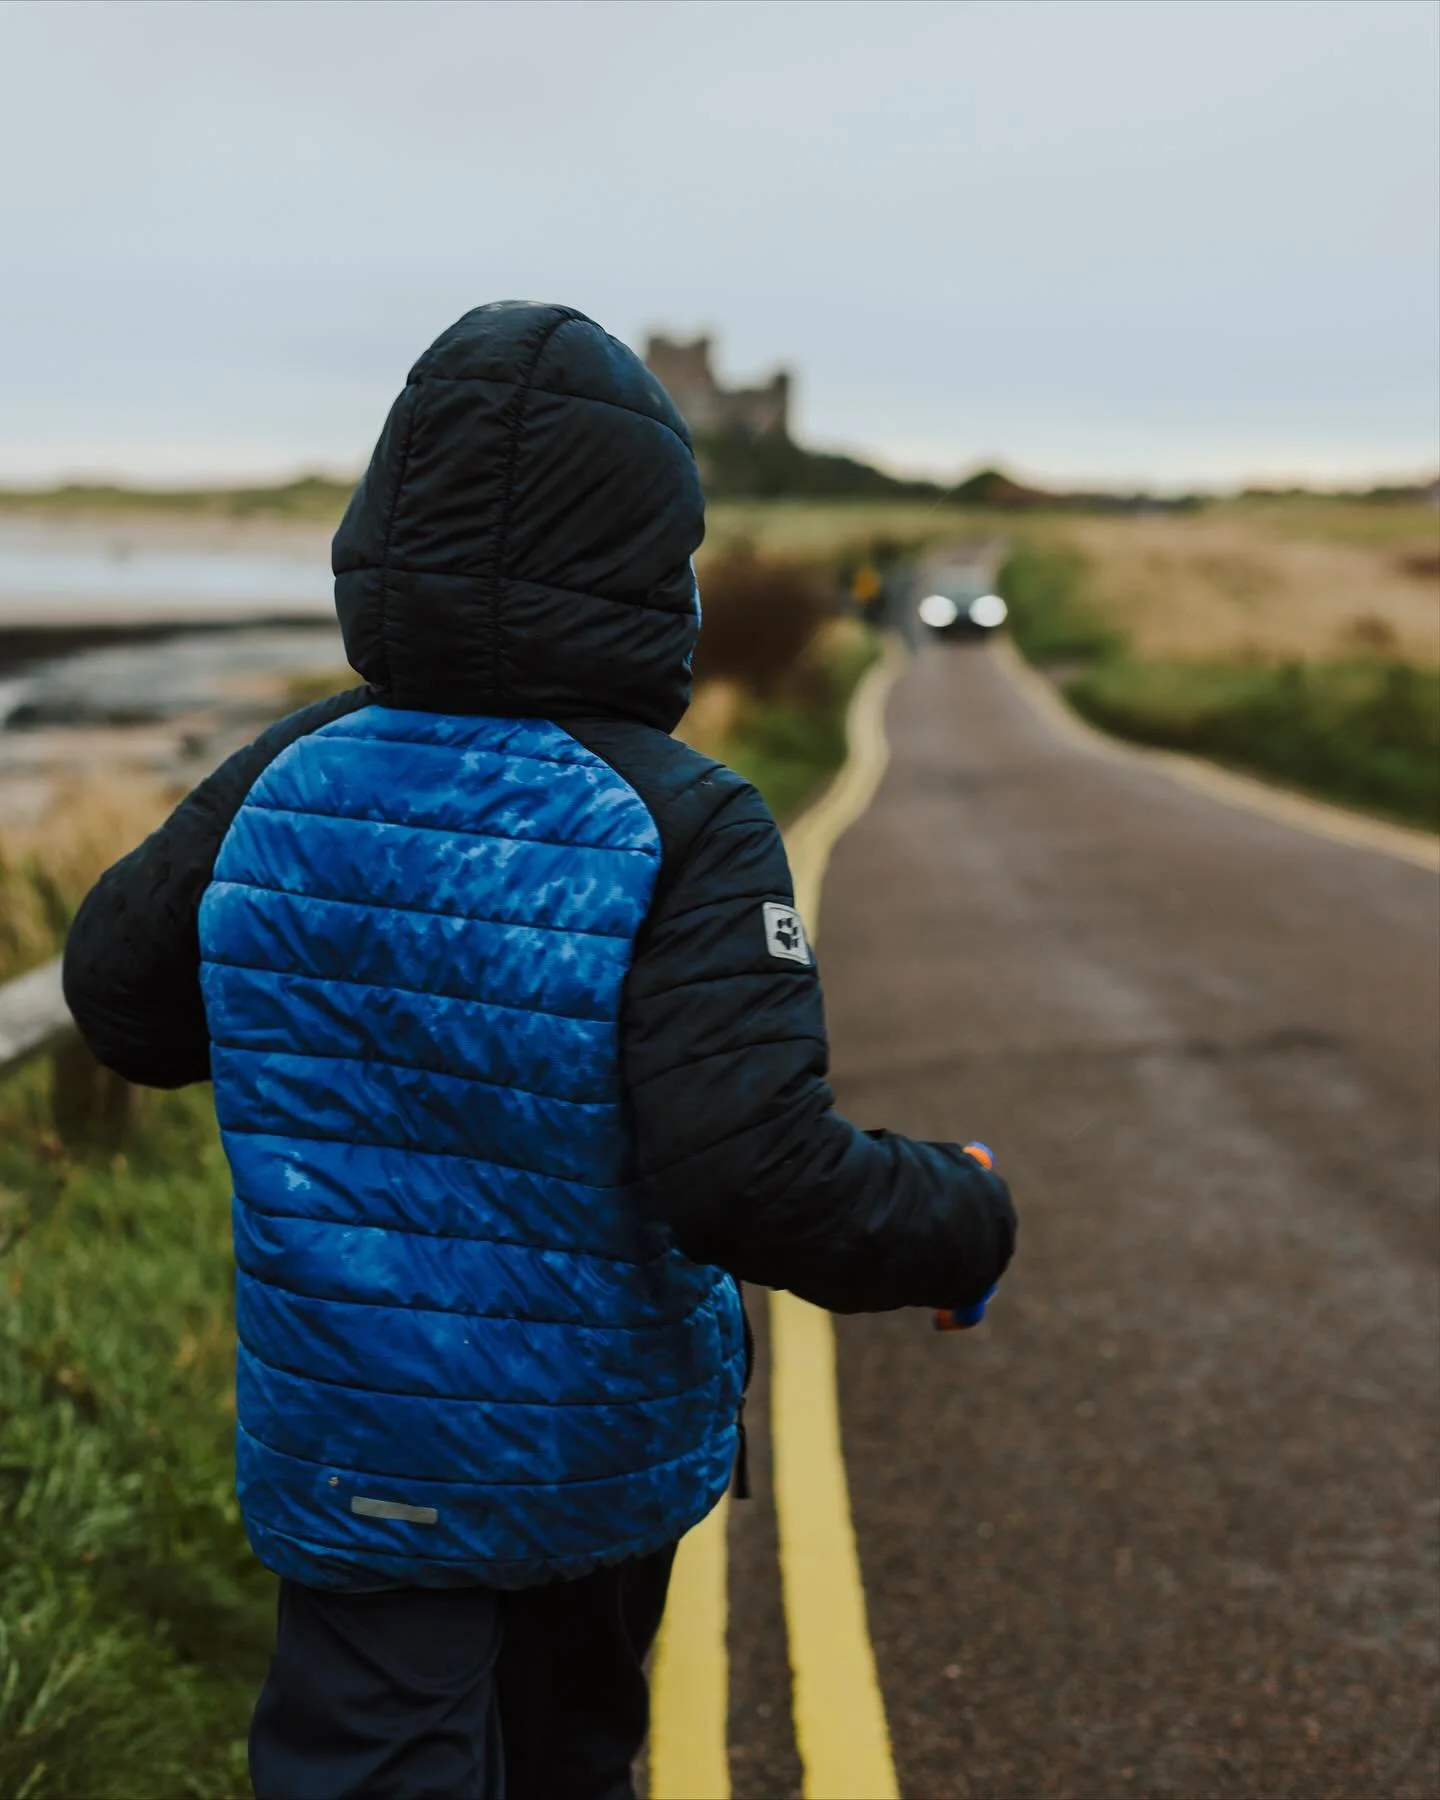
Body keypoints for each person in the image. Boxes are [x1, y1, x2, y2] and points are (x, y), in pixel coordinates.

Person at [61, 301, 1017, 1800]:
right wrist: (962, 1214)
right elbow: (752, 1179)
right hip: (592, 1457)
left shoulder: (292, 770)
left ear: (388, 524)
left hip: (355, 1458)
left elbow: (122, 1007)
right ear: (653, 562)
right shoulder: (682, 818)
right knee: (576, 1757)